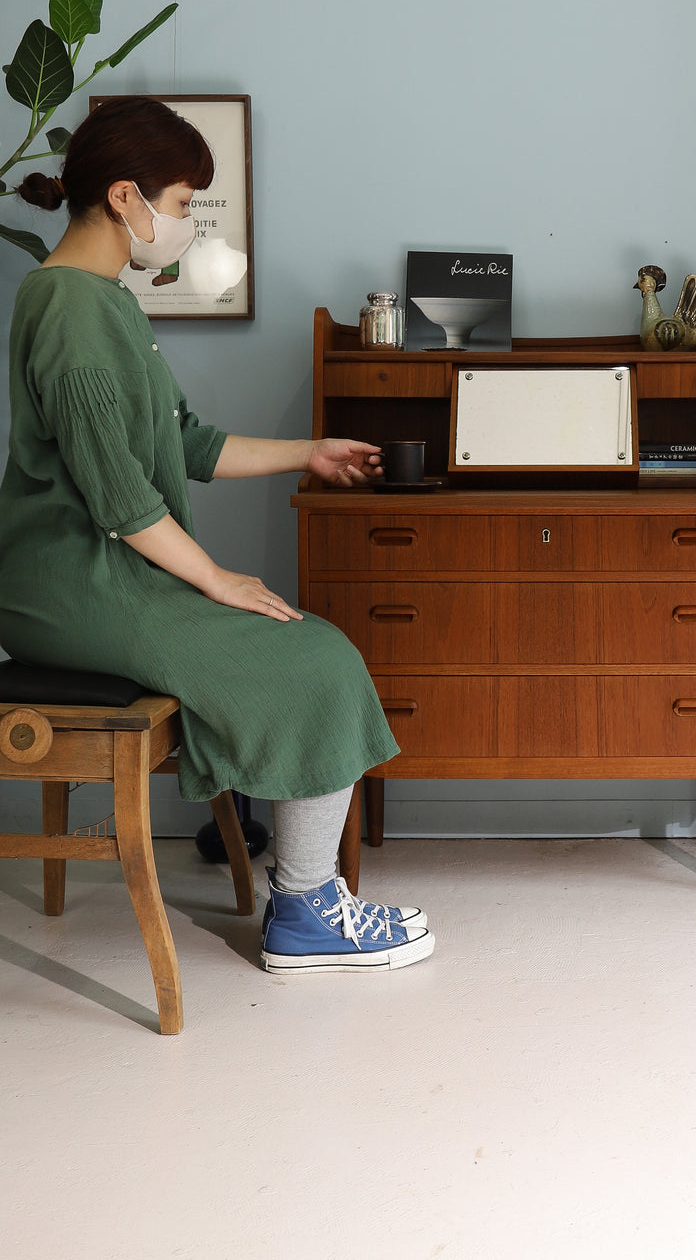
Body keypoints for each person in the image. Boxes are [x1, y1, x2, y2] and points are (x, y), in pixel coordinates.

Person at [0, 95, 434, 973]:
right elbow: (122, 499)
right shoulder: (69, 311)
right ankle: (307, 911)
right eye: (185, 201)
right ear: (126, 198)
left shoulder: (104, 301)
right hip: (68, 584)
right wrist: (217, 580)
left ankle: (305, 898)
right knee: (315, 658)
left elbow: (185, 443)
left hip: (114, 570)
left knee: (313, 651)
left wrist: (307, 453)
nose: (189, 222)